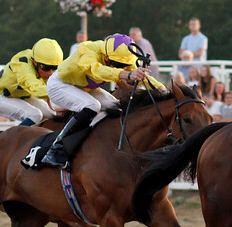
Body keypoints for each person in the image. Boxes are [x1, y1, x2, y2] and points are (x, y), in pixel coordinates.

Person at [41, 33, 165, 169]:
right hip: (60, 85)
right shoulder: (87, 50)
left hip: (84, 87)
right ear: (106, 57)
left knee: (117, 109)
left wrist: (162, 89)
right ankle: (55, 149)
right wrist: (127, 74)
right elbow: (97, 71)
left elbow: (139, 75)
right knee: (92, 105)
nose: (122, 68)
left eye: (124, 65)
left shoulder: (116, 56)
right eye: (118, 65)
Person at [0, 38, 64, 125]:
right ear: (35, 62)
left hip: (21, 95)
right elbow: (35, 88)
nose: (51, 73)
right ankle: (13, 138)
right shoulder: (22, 65)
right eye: (46, 68)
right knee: (35, 115)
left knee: (52, 116)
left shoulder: (41, 60)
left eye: (55, 68)